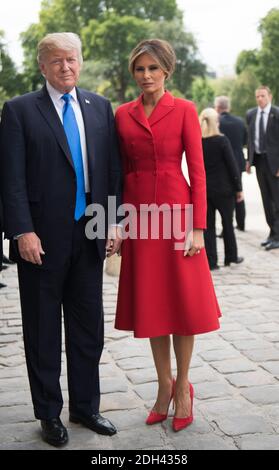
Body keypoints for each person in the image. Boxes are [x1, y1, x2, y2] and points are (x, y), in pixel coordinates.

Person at [0, 32, 122, 447]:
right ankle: (48, 414)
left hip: (89, 236)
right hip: (40, 241)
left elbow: (110, 171)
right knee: (43, 329)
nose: (65, 67)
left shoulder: (100, 107)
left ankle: (86, 407)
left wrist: (113, 222)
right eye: (56, 61)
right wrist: (22, 230)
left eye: (71, 59)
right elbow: (10, 179)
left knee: (89, 329)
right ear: (43, 66)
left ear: (81, 61)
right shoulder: (19, 111)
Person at [114, 39, 221, 432]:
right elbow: (120, 172)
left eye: (152, 69)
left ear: (166, 71)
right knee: (152, 308)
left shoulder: (185, 111)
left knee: (182, 307)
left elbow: (199, 171)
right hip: (141, 221)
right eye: (139, 70)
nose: (146, 76)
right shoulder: (121, 115)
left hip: (177, 221)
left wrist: (197, 228)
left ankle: (183, 389)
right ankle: (163, 386)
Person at [200, 108, 244, 270]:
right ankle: (230, 256)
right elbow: (232, 166)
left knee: (208, 227)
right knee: (227, 223)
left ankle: (211, 262)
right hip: (224, 190)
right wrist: (239, 188)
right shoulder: (222, 140)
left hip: (205, 190)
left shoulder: (198, 142)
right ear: (216, 122)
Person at [246, 86, 279, 250]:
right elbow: (250, 139)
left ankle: (277, 236)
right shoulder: (251, 114)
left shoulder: (276, 113)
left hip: (275, 164)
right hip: (259, 161)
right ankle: (272, 233)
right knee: (266, 200)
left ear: (270, 96)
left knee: (277, 200)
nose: (260, 99)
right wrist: (248, 161)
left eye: (263, 96)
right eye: (257, 96)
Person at [215, 96, 247, 231]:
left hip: (222, 164)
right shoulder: (240, 121)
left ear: (217, 108)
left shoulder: (217, 122)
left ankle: (226, 227)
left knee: (226, 196)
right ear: (228, 107)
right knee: (239, 191)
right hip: (238, 161)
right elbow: (245, 140)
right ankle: (241, 223)